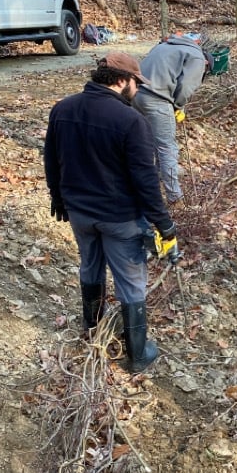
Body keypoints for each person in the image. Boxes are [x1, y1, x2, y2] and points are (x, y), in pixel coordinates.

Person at [44, 52, 178, 372]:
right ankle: (137, 354)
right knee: (131, 283)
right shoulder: (131, 122)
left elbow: (51, 161)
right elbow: (146, 182)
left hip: (79, 214)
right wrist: (165, 226)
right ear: (121, 81)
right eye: (135, 83)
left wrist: (59, 200)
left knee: (90, 268)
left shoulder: (62, 109)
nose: (137, 89)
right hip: (120, 219)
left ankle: (93, 328)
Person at [132, 32, 213, 203]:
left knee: (150, 144)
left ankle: (152, 183)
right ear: (207, 63)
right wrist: (178, 106)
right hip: (156, 98)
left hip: (134, 95)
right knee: (167, 147)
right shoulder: (197, 57)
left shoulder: (168, 45)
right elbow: (185, 87)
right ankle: (175, 199)